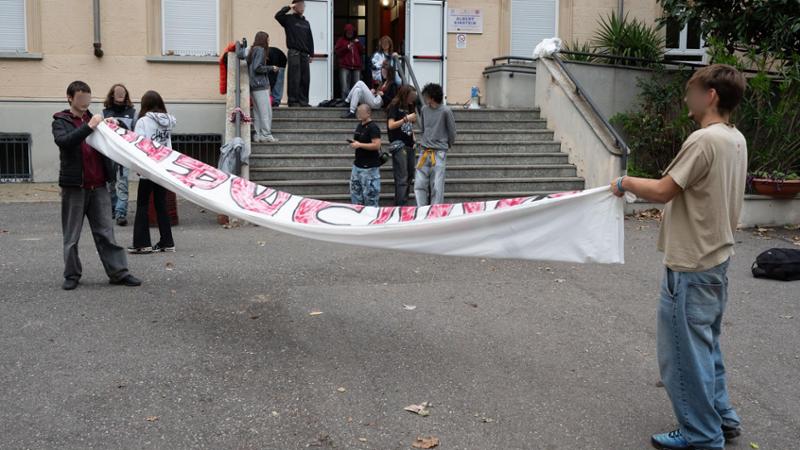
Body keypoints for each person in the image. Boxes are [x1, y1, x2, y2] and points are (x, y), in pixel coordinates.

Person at [610, 64, 747, 450]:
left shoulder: (704, 140)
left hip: (691, 264)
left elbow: (663, 190)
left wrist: (623, 182)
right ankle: (722, 419)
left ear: (711, 95)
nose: (687, 99)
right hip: (716, 259)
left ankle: (701, 435)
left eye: (692, 91)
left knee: (683, 358)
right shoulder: (735, 138)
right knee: (707, 347)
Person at [51, 80, 142, 290]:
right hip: (75, 187)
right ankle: (72, 274)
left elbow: (110, 143)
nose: (85, 103)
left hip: (99, 185)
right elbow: (65, 142)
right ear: (70, 98)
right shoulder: (61, 121)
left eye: (87, 99)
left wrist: (113, 127)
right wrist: (90, 126)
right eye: (81, 98)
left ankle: (119, 273)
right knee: (71, 236)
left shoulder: (94, 119)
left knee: (106, 233)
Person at [129, 90, 177, 254]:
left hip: (147, 167)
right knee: (161, 204)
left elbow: (139, 144)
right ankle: (167, 241)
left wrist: (138, 166)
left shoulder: (143, 121)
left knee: (142, 204)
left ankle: (142, 243)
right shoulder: (168, 121)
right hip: (162, 166)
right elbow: (168, 145)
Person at [414, 83, 456, 206]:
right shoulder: (424, 109)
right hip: (425, 150)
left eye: (426, 96)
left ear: (432, 97)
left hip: (439, 152)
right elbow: (423, 128)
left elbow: (452, 131)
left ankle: (436, 211)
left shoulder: (446, 111)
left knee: (437, 186)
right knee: (419, 183)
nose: (424, 98)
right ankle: (421, 209)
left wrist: (446, 144)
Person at [102, 83, 137, 226]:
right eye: (118, 93)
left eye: (123, 92)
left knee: (122, 182)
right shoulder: (105, 112)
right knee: (111, 183)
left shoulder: (132, 112)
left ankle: (121, 213)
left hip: (124, 153)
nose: (120, 95)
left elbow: (135, 133)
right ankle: (113, 208)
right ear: (112, 95)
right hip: (110, 152)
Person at [275, 0, 314, 107]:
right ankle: (293, 101)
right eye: (300, 5)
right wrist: (288, 7)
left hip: (304, 54)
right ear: (295, 6)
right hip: (294, 52)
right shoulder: (288, 19)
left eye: (303, 5)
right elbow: (278, 16)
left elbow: (310, 39)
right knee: (294, 78)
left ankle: (303, 101)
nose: (302, 7)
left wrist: (311, 54)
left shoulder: (306, 23)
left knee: (305, 78)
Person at [386, 85, 418, 206]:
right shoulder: (395, 105)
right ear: (405, 95)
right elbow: (391, 125)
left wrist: (414, 138)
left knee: (410, 175)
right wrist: (406, 118)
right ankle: (400, 206)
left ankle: (403, 201)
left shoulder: (410, 105)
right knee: (402, 177)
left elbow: (409, 125)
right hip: (398, 144)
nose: (413, 99)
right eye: (411, 96)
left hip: (410, 144)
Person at [247, 31, 279, 143]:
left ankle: (258, 134)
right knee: (266, 111)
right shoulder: (260, 50)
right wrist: (272, 68)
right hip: (260, 85)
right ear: (263, 40)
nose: (268, 42)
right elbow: (258, 67)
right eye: (268, 40)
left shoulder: (253, 50)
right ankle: (266, 134)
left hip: (254, 86)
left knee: (257, 111)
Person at [349, 104, 382, 207]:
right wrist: (355, 142)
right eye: (357, 112)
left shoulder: (373, 127)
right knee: (356, 196)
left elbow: (377, 145)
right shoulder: (360, 125)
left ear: (368, 113)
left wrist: (359, 145)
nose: (358, 114)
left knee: (370, 199)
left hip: (369, 168)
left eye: (361, 112)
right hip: (357, 165)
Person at [334, 23, 364, 99]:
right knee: (344, 87)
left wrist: (358, 43)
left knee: (357, 87)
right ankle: (344, 103)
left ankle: (355, 102)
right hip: (344, 66)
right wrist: (347, 47)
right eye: (348, 32)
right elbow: (337, 52)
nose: (350, 34)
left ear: (354, 32)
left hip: (356, 67)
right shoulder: (341, 41)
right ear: (345, 32)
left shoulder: (356, 41)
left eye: (351, 32)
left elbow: (361, 51)